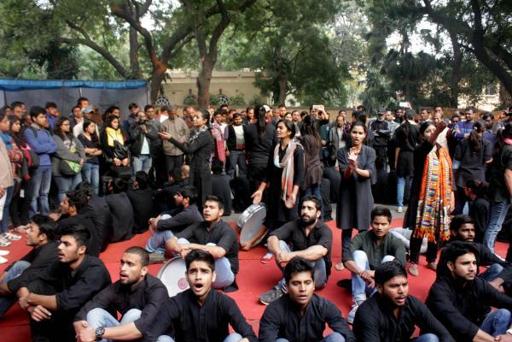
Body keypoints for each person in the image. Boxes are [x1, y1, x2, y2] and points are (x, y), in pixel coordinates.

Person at [16, 224, 111, 341]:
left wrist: (29, 298)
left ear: (81, 249)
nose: (60, 247)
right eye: (60, 242)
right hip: (68, 315)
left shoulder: (95, 270)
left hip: (88, 321)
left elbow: (65, 302)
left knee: (42, 299)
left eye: (66, 244)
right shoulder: (61, 262)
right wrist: (30, 306)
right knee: (38, 292)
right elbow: (30, 280)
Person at [144, 249, 257, 341]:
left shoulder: (225, 302)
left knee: (236, 338)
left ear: (213, 276)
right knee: (163, 340)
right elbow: (150, 335)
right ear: (187, 276)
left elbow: (250, 336)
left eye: (204, 271)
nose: (198, 276)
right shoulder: (175, 303)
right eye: (193, 271)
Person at [74, 247, 169, 342]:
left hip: (152, 337)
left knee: (135, 315)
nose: (123, 268)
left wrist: (97, 332)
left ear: (143, 270)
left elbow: (141, 327)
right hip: (124, 338)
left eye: (130, 264)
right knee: (94, 313)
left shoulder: (157, 290)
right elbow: (93, 304)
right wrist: (79, 324)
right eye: (122, 262)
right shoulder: (118, 286)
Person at [426, 241, 512, 341]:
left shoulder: (478, 283)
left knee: (503, 314)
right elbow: (459, 324)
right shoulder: (439, 290)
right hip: (447, 337)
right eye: (465, 263)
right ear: (451, 266)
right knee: (431, 338)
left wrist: (510, 334)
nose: (472, 268)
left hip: (471, 336)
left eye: (474, 263)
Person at [259, 257, 355, 342]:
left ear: (313, 285)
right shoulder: (274, 310)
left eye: (307, 283)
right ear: (287, 286)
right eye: (296, 283)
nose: (303, 289)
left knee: (337, 338)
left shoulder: (323, 305)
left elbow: (347, 334)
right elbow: (266, 339)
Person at [353, 261, 454, 342]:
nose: (401, 291)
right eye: (394, 286)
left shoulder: (412, 303)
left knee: (431, 339)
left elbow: (443, 333)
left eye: (404, 284)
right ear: (379, 288)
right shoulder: (367, 313)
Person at [258, 196, 332, 305]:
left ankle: (283, 288)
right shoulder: (294, 224)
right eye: (303, 208)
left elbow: (321, 251)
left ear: (318, 213)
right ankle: (291, 281)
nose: (305, 211)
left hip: (317, 276)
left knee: (313, 255)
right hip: (294, 267)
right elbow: (271, 238)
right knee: (280, 244)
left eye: (310, 208)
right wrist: (279, 253)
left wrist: (292, 256)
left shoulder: (324, 229)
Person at [343, 206, 407, 323]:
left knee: (390, 259)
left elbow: (401, 264)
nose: (379, 227)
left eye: (383, 224)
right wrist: (362, 273)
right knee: (358, 254)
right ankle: (359, 303)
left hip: (381, 287)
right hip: (363, 281)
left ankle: (375, 302)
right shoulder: (361, 237)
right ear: (371, 223)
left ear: (389, 224)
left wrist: (375, 274)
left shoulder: (395, 241)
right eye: (376, 223)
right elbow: (346, 257)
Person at [407, 122, 454, 277]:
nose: (432, 133)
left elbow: (449, 177)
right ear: (422, 135)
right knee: (419, 228)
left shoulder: (443, 152)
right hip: (422, 197)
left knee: (437, 228)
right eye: (428, 131)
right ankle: (413, 260)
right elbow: (428, 144)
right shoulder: (421, 150)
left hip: (440, 197)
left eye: (434, 130)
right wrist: (439, 130)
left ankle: (431, 258)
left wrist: (451, 194)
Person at [166, 195, 239, 290]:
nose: (207, 210)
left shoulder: (227, 230)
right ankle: (195, 279)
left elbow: (219, 252)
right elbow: (169, 242)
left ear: (220, 212)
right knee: (180, 241)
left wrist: (190, 246)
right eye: (205, 207)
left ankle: (194, 280)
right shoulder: (197, 225)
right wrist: (180, 249)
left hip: (223, 275)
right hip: (202, 271)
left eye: (211, 207)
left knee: (210, 247)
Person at [252, 119, 305, 236]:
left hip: (289, 190)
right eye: (277, 127)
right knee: (273, 216)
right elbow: (268, 172)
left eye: (281, 128)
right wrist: (260, 190)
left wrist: (294, 194)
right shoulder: (275, 149)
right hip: (275, 190)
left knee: (290, 218)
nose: (277, 130)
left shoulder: (297, 149)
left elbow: (300, 174)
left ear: (289, 132)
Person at [335, 121, 377, 271]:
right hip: (346, 193)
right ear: (349, 133)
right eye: (354, 132)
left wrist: (355, 167)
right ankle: (345, 258)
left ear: (365, 135)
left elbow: (369, 173)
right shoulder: (341, 152)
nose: (357, 136)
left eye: (360, 133)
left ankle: (362, 258)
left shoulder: (370, 151)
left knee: (363, 229)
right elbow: (345, 175)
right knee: (346, 228)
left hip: (364, 194)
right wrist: (349, 167)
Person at [0, 215, 58, 317]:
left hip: (53, 295)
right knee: (20, 266)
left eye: (31, 229)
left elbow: (18, 283)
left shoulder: (46, 255)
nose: (26, 231)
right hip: (38, 283)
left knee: (19, 282)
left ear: (42, 236)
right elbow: (17, 263)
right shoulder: (44, 246)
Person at [160, 109, 213, 207]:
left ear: (205, 121)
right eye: (194, 117)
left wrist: (171, 139)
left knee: (202, 199)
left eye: (197, 117)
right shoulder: (196, 133)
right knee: (193, 197)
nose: (194, 119)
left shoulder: (204, 134)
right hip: (195, 168)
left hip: (201, 170)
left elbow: (189, 150)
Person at [449, 215, 511, 287]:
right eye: (465, 230)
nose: (471, 234)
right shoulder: (448, 251)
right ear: (454, 232)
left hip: (474, 285)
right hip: (455, 290)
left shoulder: (478, 248)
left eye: (473, 230)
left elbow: (507, 265)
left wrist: (496, 283)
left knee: (497, 268)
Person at [145, 186, 202, 257]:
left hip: (187, 246)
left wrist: (153, 220)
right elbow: (169, 212)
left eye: (178, 195)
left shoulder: (188, 213)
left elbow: (160, 225)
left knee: (164, 231)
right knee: (165, 217)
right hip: (183, 236)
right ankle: (159, 252)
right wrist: (157, 218)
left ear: (186, 199)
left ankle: (148, 251)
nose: (175, 196)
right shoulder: (189, 207)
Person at [24, 106, 58, 217]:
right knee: (34, 194)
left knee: (45, 193)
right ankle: (33, 216)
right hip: (37, 165)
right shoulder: (29, 131)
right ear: (34, 118)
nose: (45, 119)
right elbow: (36, 148)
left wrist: (44, 147)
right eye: (42, 117)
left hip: (48, 164)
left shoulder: (46, 132)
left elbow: (55, 146)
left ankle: (45, 215)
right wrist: (48, 146)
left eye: (45, 117)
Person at [453, 121, 493, 214]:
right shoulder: (486, 143)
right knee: (474, 205)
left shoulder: (463, 142)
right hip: (478, 179)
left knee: (460, 203)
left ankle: (458, 225)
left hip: (462, 178)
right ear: (484, 131)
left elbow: (457, 158)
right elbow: (487, 160)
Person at [484, 123, 512, 254]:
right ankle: (488, 253)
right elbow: (508, 174)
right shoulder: (510, 150)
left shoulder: (502, 146)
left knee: (492, 224)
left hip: (494, 190)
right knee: (495, 225)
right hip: (501, 194)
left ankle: (488, 251)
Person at [52, 117, 85, 202]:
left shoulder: (71, 136)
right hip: (60, 169)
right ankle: (64, 212)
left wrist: (83, 159)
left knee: (77, 190)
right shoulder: (55, 137)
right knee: (64, 191)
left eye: (69, 124)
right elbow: (62, 152)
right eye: (66, 124)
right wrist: (78, 159)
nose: (68, 126)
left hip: (76, 167)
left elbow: (81, 147)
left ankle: (73, 210)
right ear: (59, 126)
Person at [244, 105, 276, 192]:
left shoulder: (248, 128)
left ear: (254, 114)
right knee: (266, 191)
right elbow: (275, 146)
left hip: (254, 162)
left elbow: (247, 147)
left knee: (253, 190)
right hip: (268, 162)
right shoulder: (272, 128)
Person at [394, 111, 419, 213]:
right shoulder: (417, 128)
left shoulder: (400, 128)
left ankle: (400, 205)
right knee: (412, 180)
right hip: (413, 155)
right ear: (413, 116)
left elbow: (397, 145)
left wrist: (395, 160)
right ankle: (411, 204)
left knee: (400, 180)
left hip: (402, 155)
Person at [160, 106, 189, 180]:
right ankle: (171, 185)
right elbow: (162, 136)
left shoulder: (181, 121)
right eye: (171, 113)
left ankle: (179, 186)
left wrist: (183, 139)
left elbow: (187, 133)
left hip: (179, 150)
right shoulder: (164, 123)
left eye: (174, 113)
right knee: (170, 171)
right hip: (169, 151)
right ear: (168, 113)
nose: (173, 114)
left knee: (179, 170)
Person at [300, 115, 323, 203]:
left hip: (309, 170)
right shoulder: (317, 137)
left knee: (307, 195)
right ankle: (320, 214)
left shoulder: (306, 138)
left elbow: (305, 157)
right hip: (317, 168)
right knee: (317, 194)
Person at [78, 120, 102, 195]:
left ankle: (95, 200)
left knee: (96, 184)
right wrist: (94, 150)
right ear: (86, 128)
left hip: (96, 162)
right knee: (87, 183)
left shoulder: (95, 137)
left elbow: (101, 151)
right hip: (87, 162)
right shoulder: (81, 136)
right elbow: (83, 149)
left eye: (94, 126)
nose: (93, 128)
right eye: (91, 126)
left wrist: (91, 152)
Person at [226, 112, 247, 178]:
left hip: (243, 151)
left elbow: (247, 138)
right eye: (236, 119)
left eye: (239, 119)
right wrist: (227, 149)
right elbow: (226, 139)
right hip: (233, 150)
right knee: (232, 167)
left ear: (241, 119)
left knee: (243, 167)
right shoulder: (229, 127)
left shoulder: (244, 127)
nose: (238, 121)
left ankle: (242, 182)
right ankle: (230, 182)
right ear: (233, 119)